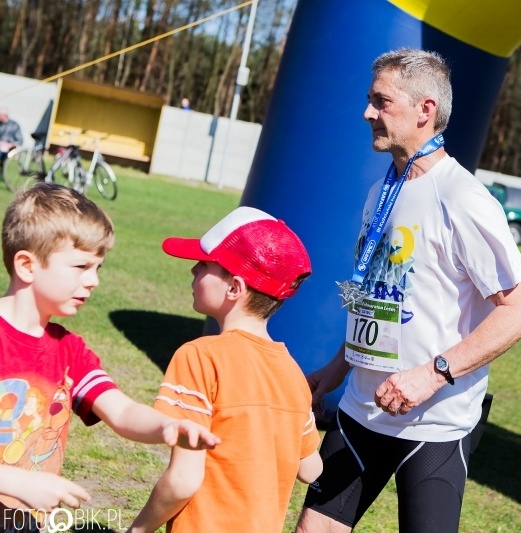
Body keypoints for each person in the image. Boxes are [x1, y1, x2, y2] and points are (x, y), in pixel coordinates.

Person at [296, 48, 521, 533]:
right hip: (361, 410)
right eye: (370, 100)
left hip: (435, 424)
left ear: (425, 110)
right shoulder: (381, 192)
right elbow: (384, 298)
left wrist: (432, 374)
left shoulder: (464, 198)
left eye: (381, 102)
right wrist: (334, 368)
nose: (367, 113)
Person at [0, 183, 220, 533]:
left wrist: (167, 427)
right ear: (27, 265)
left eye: (98, 268)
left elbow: (121, 410)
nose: (94, 281)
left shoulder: (69, 350)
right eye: (81, 266)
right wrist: (15, 483)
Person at [128, 207, 323, 533]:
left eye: (204, 265)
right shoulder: (292, 373)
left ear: (234, 287)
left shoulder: (199, 357)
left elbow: (183, 480)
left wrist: (138, 529)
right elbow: (311, 468)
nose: (192, 270)